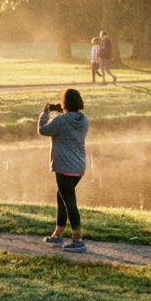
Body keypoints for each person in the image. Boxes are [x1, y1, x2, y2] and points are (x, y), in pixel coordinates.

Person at [40, 88, 89, 253]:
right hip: (79, 167)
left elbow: (43, 130)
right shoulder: (84, 120)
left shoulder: (61, 120)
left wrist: (46, 111)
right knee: (62, 198)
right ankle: (58, 234)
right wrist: (63, 111)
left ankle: (78, 240)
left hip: (64, 167)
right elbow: (69, 122)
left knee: (69, 202)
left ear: (64, 102)